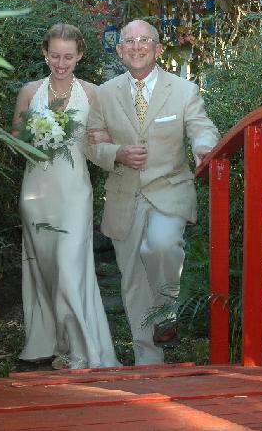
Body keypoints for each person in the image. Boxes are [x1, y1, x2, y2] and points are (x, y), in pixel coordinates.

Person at [87, 19, 219, 365]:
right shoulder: (104, 94)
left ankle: (166, 309)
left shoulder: (184, 90)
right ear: (119, 50)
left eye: (144, 40)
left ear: (158, 48)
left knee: (161, 244)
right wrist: (117, 153)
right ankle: (148, 362)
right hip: (124, 196)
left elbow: (201, 126)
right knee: (133, 281)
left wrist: (204, 147)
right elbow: (91, 143)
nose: (136, 46)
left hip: (169, 188)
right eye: (129, 41)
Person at [12, 23, 119, 369]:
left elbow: (102, 141)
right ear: (45, 53)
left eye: (68, 57)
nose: (61, 63)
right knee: (45, 267)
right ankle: (49, 341)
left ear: (79, 56)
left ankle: (82, 349)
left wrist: (97, 140)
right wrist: (37, 136)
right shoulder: (29, 92)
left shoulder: (93, 94)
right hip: (36, 192)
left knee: (69, 265)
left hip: (74, 192)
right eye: (55, 56)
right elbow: (15, 137)